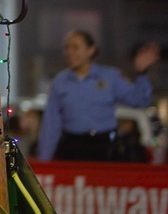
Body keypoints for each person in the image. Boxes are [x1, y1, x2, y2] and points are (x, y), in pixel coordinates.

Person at [37, 30, 160, 162]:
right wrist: (44, 160)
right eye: (67, 48)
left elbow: (141, 101)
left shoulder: (110, 77)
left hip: (103, 147)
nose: (70, 52)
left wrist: (141, 73)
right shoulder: (60, 82)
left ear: (91, 50)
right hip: (71, 148)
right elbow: (51, 124)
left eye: (76, 47)